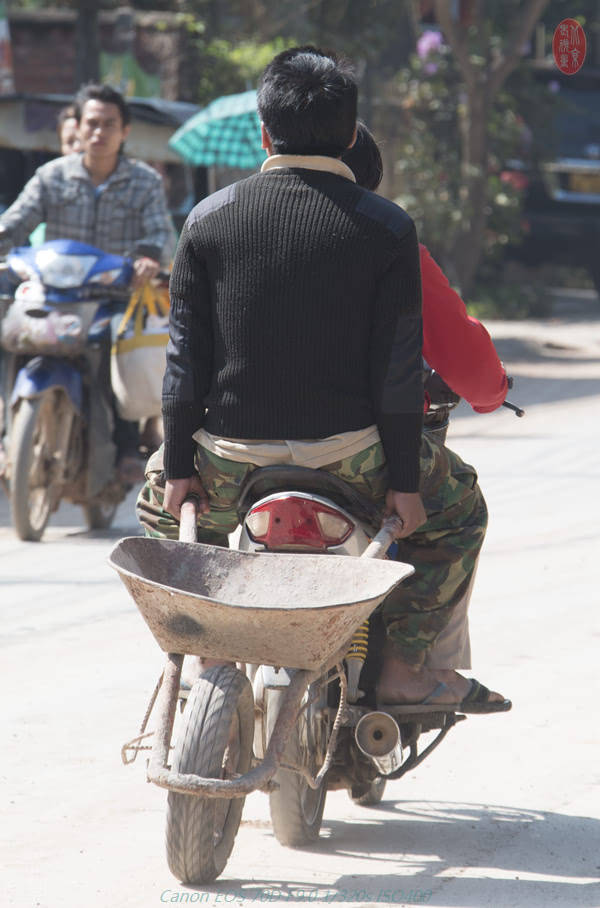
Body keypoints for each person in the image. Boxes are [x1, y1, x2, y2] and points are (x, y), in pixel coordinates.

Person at [136, 46, 507, 712]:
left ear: (263, 132)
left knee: (155, 503)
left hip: (227, 463)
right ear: (349, 134)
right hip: (355, 461)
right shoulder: (387, 227)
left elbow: (184, 360)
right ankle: (401, 666)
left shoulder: (207, 219)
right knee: (460, 514)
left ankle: (215, 647)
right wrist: (402, 484)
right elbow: (397, 373)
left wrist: (180, 462)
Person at [342, 122, 510, 709]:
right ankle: (405, 667)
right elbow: (466, 360)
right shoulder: (393, 244)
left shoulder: (232, 225)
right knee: (460, 509)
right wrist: (492, 394)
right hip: (370, 453)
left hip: (240, 448)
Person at [0, 83, 174, 482]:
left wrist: (148, 259)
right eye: (91, 123)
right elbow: (17, 220)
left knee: (118, 349)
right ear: (76, 127)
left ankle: (127, 443)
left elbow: (160, 235)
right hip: (54, 298)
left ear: (125, 130)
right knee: (11, 332)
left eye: (108, 124)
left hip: (114, 300)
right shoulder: (51, 176)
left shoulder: (144, 181)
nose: (99, 132)